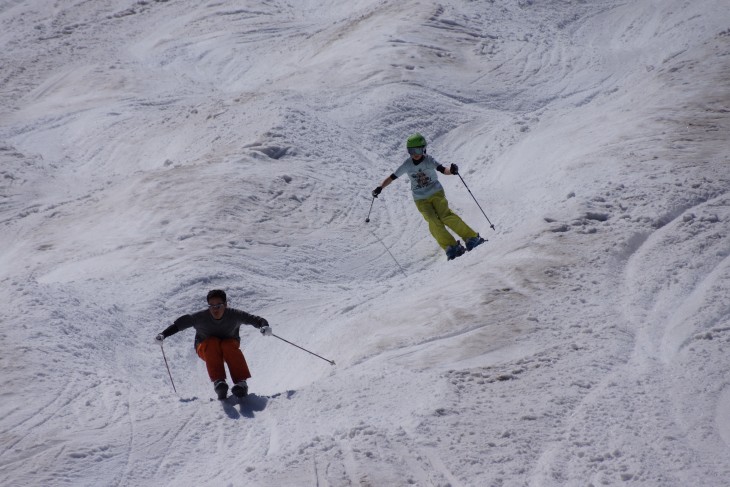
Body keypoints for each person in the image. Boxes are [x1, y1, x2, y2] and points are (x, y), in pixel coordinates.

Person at [372, 133, 485, 260]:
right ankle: (451, 246)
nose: (415, 153)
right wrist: (380, 187)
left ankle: (471, 238)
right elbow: (392, 177)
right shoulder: (407, 164)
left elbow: (443, 169)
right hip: (420, 199)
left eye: (418, 150)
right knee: (433, 221)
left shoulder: (428, 160)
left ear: (424, 149)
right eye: (412, 150)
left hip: (436, 193)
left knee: (445, 216)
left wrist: (452, 171)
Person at [155, 289, 272, 400]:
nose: (215, 309)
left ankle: (241, 384)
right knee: (212, 342)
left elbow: (256, 319)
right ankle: (219, 383)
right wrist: (163, 334)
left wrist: (264, 326)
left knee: (227, 344)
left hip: (229, 347)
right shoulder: (200, 317)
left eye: (218, 305)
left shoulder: (235, 315)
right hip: (206, 348)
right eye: (211, 306)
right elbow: (178, 325)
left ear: (225, 305)